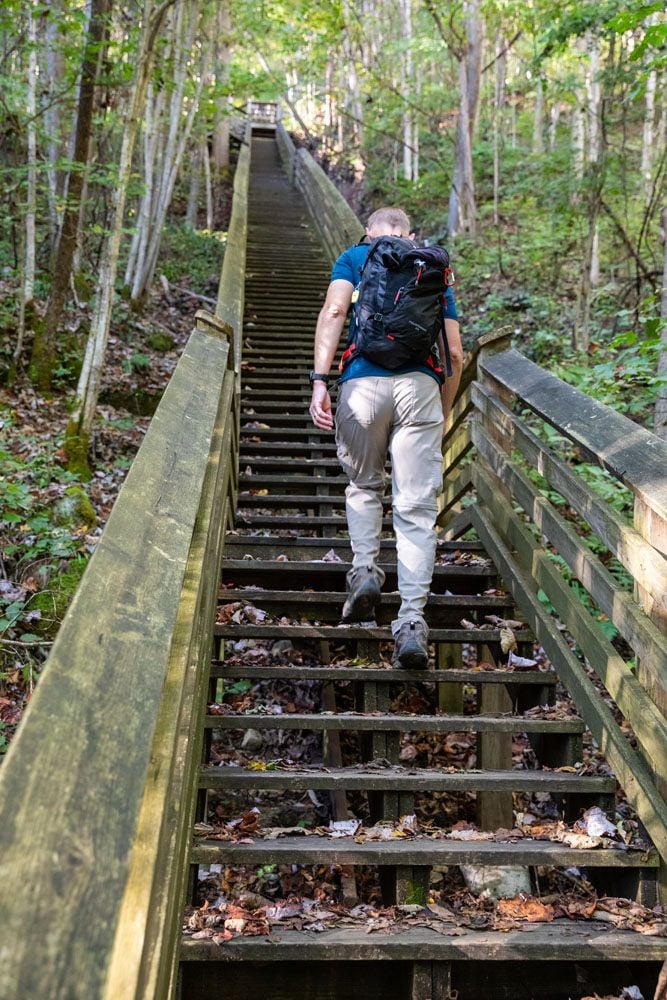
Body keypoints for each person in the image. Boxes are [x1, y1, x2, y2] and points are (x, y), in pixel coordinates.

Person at [309, 207, 464, 669]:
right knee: (416, 508)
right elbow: (454, 350)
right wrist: (444, 407)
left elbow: (336, 309)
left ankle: (364, 572)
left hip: (362, 386)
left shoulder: (354, 257)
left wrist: (320, 379)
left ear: (369, 233)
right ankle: (412, 622)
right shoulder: (434, 267)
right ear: (411, 235)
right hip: (419, 388)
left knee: (363, 485)